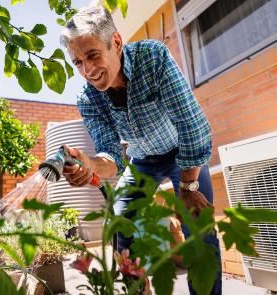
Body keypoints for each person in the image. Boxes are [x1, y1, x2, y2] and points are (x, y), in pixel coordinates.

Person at [59, 5, 222, 295]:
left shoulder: (153, 58)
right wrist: (91, 164)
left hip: (180, 153)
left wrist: (188, 186)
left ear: (117, 44)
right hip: (142, 160)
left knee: (198, 229)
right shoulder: (87, 99)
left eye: (93, 55)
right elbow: (111, 155)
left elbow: (193, 127)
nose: (88, 71)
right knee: (120, 221)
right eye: (78, 63)